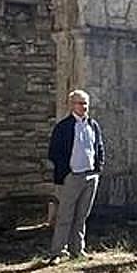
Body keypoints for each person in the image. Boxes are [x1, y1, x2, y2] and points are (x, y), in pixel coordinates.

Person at [46, 90, 105, 260]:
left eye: (86, 103)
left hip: (90, 176)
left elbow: (99, 147)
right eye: (80, 103)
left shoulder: (93, 125)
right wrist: (66, 173)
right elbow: (54, 153)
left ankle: (77, 250)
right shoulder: (63, 127)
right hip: (72, 176)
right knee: (65, 216)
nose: (84, 107)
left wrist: (98, 168)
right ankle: (57, 252)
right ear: (71, 105)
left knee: (82, 216)